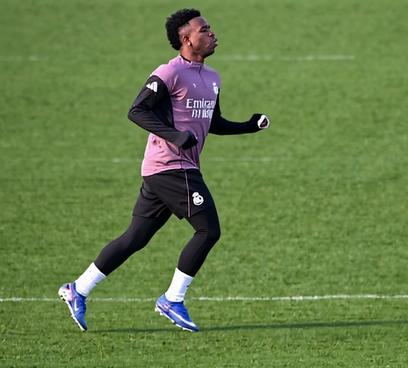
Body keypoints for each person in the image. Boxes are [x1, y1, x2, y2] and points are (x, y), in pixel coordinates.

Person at [58, 8, 270, 332]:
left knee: (135, 237)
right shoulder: (169, 73)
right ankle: (172, 299)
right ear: (187, 39)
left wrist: (248, 126)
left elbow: (212, 123)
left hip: (169, 169)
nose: (212, 33)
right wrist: (175, 136)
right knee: (208, 230)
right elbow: (136, 110)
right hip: (171, 166)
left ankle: (78, 289)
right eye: (204, 29)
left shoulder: (213, 78)